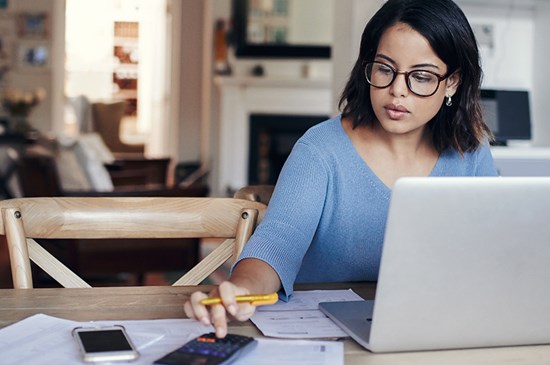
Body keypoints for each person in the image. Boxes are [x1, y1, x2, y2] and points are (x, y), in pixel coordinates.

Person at [185, 0, 498, 338]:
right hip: (323, 337)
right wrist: (241, 290)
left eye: (421, 77)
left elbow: (493, 254)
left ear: (452, 82)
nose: (396, 90)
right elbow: (278, 242)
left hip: (431, 333)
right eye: (384, 69)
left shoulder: (472, 154)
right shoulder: (320, 150)